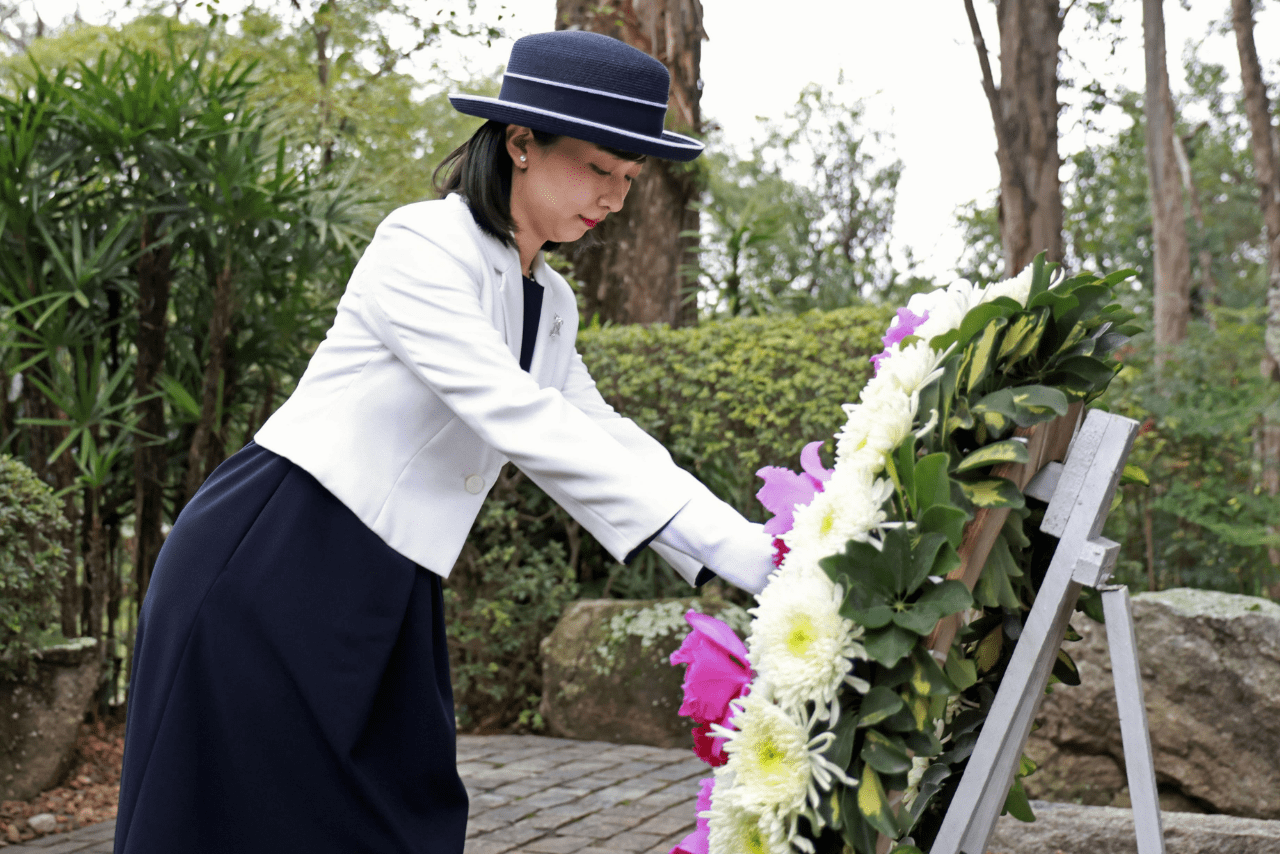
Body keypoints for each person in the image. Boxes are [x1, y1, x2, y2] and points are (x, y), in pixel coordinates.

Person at [113, 29, 774, 853]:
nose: (615, 197)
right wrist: (744, 558)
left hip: (392, 585)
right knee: (241, 820)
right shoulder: (421, 244)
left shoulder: (551, 302)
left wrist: (751, 548)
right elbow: (520, 417)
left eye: (631, 178)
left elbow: (602, 435)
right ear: (520, 142)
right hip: (277, 556)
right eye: (600, 167)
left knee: (403, 821)